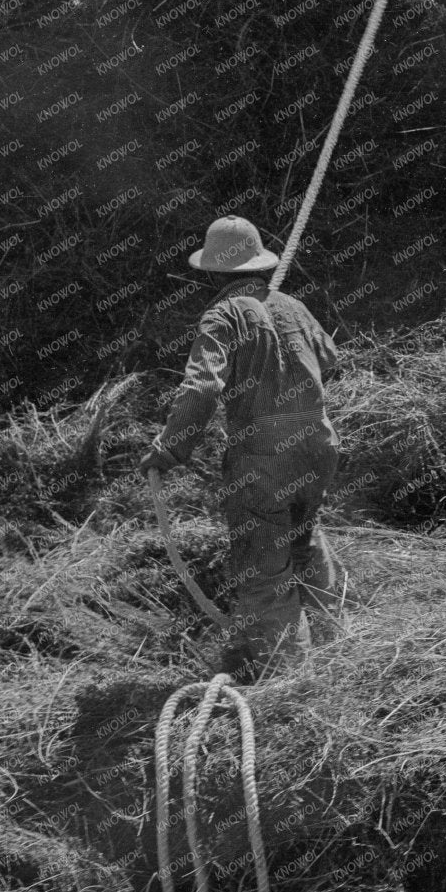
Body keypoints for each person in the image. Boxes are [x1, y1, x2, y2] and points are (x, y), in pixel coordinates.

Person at [141, 215, 343, 680]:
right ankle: (338, 646)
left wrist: (170, 449)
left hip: (264, 456)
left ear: (212, 272)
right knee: (305, 540)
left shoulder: (222, 315)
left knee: (263, 567)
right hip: (318, 443)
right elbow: (329, 357)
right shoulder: (292, 305)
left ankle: (291, 679)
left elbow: (201, 388)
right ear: (258, 262)